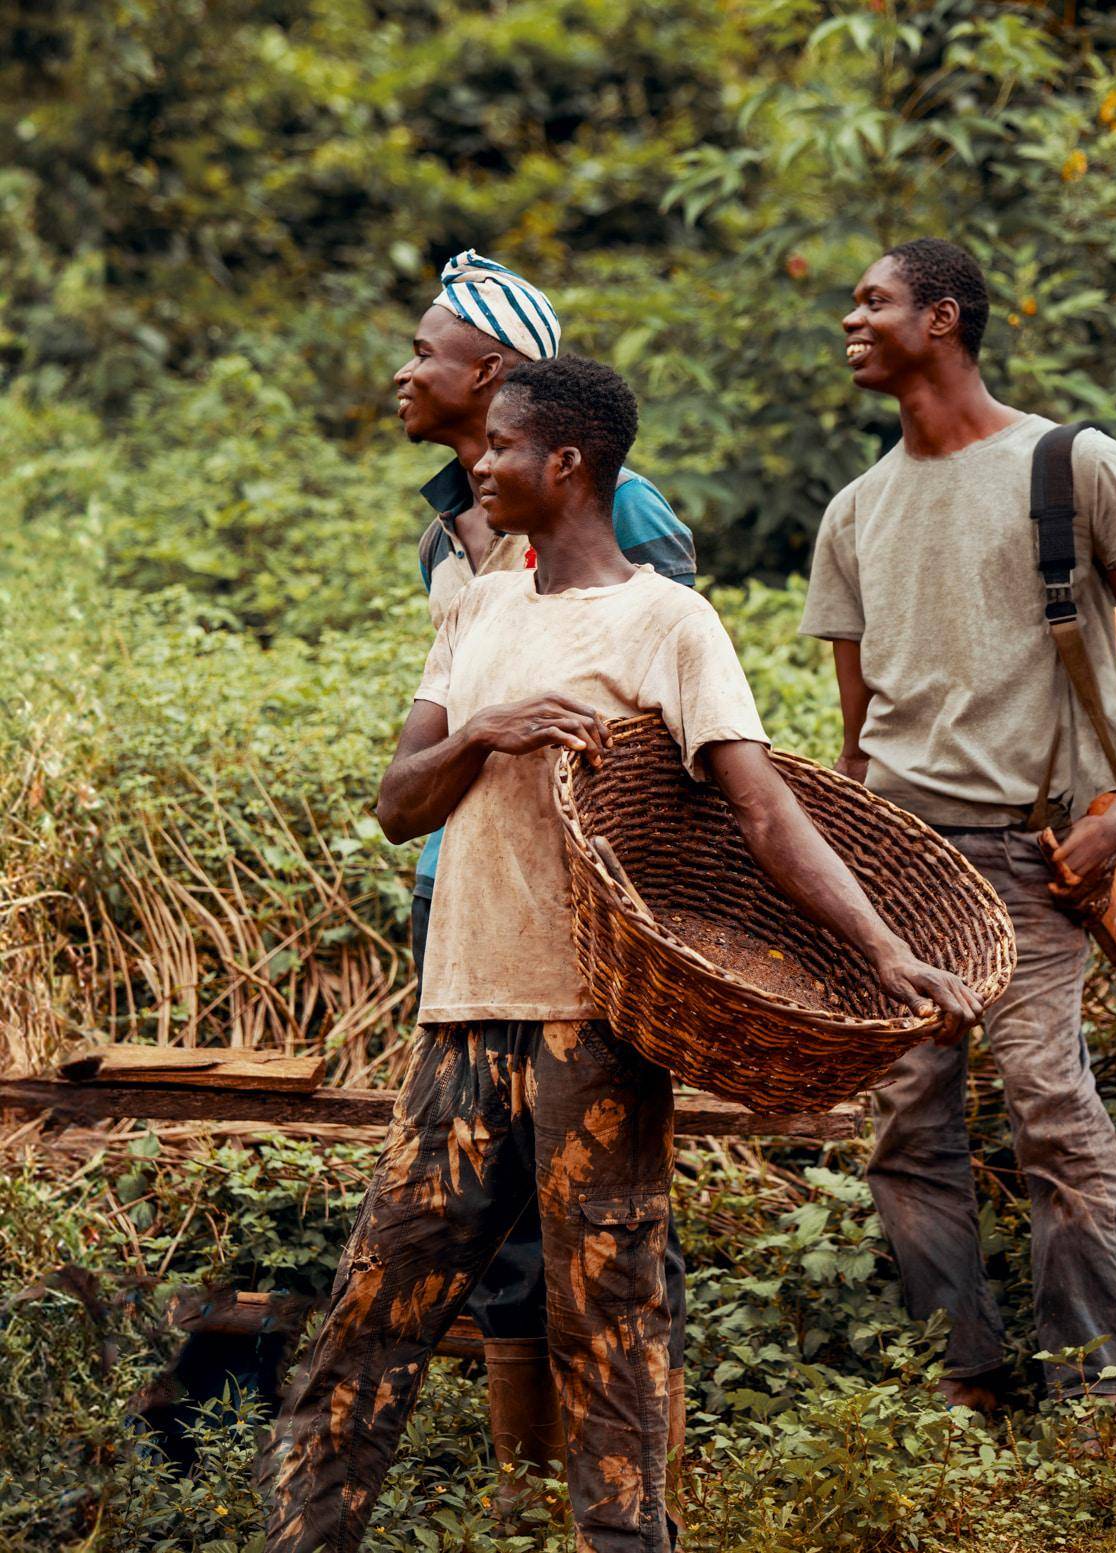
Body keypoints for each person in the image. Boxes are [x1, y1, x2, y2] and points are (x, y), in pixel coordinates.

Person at [261, 352, 982, 1552]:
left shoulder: (667, 621)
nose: (478, 463)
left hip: (594, 1027)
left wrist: (890, 949)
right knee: (373, 1304)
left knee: (610, 1318)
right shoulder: (476, 604)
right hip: (463, 1016)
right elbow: (398, 800)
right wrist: (486, 731)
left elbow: (764, 814)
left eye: (498, 445)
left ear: (567, 461)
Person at [800, 238, 1116, 1440]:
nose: (849, 319)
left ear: (943, 316)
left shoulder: (1071, 464)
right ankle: (961, 1376)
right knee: (906, 1124)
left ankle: (1111, 1390)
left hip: (1037, 856)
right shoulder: (852, 512)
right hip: (901, 863)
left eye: (872, 301)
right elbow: (856, 735)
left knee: (1049, 1106)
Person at [392, 248, 695, 1496]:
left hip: (582, 920)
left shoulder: (623, 515)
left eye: (427, 350)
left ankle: (630, 1479)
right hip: (463, 902)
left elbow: (660, 719)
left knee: (608, 1207)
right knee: (492, 1198)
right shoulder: (441, 528)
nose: (406, 371)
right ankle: (527, 1477)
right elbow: (441, 734)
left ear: (500, 376)